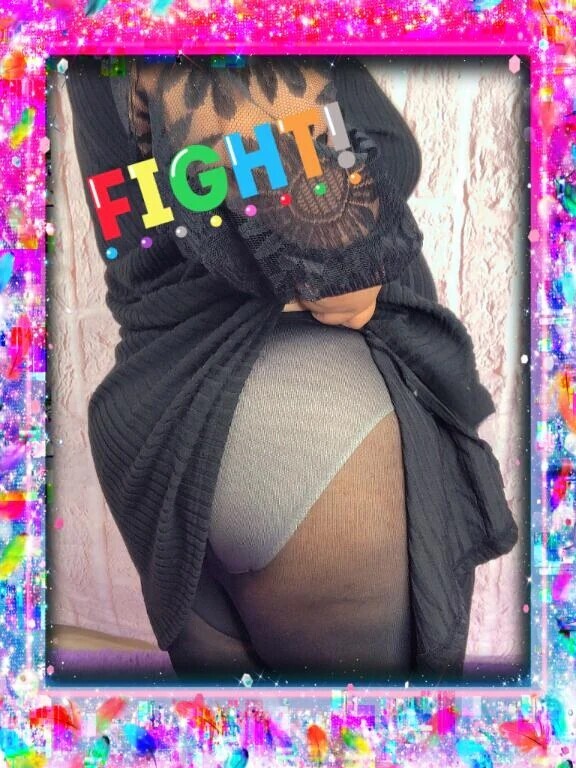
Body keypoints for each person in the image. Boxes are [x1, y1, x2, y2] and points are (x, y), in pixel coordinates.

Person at [64, 55, 518, 683]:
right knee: (361, 729)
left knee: (247, 729)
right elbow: (337, 271)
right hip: (316, 426)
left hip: (154, 404)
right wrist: (346, 260)